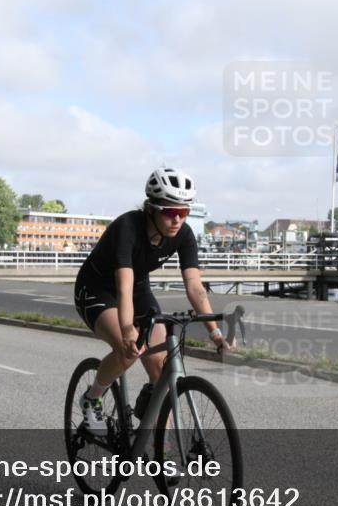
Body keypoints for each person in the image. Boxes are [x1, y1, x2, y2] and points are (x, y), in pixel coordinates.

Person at [73, 167, 233, 433]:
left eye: (184, 212)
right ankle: (92, 398)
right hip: (98, 289)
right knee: (130, 349)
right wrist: (127, 330)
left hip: (138, 289)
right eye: (171, 212)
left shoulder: (183, 235)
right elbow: (122, 287)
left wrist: (215, 333)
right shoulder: (128, 227)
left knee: (163, 368)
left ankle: (165, 450)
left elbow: (194, 286)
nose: (178, 220)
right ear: (151, 208)